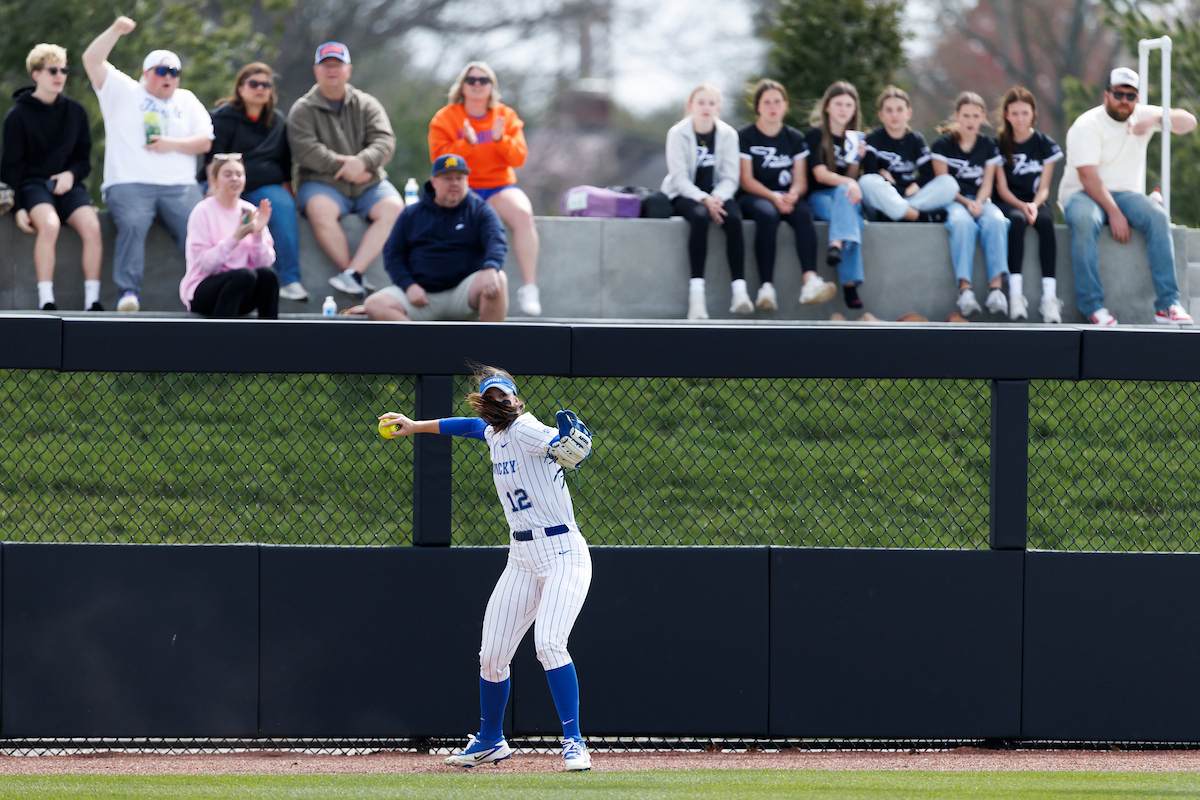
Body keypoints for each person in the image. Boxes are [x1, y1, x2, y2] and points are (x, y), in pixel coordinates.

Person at [379, 366, 593, 772]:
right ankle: (491, 740)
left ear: (518, 399)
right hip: (522, 558)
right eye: (494, 395)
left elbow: (557, 442)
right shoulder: (492, 432)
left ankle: (574, 740)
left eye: (508, 394)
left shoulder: (527, 427)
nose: (504, 400)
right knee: (492, 655)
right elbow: (465, 426)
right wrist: (416, 425)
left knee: (549, 644)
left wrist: (565, 444)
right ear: (484, 402)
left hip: (564, 551)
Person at [82, 15, 214, 313]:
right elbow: (91, 59)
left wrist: (171, 145)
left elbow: (205, 141)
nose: (169, 77)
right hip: (129, 182)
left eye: (174, 72)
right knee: (132, 223)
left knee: (198, 227)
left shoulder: (187, 100)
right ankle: (128, 293)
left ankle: (206, 290)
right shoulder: (124, 91)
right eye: (162, 70)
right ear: (146, 73)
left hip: (179, 186)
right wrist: (116, 29)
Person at [1059, 67, 1196, 326]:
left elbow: (1189, 122)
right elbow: (1088, 178)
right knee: (1086, 221)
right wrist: (1114, 212)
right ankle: (1092, 306)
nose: (1124, 101)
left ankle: (1167, 304)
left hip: (1126, 194)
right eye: (1118, 94)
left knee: (1157, 216)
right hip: (1083, 193)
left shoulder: (1142, 115)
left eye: (1130, 96)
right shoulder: (1087, 125)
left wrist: (1157, 119)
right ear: (1106, 95)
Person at [288, 42, 403, 299]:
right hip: (322, 183)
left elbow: (385, 141)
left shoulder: (367, 103)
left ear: (348, 70)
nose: (332, 70)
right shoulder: (302, 109)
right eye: (326, 64)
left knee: (394, 207)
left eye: (337, 65)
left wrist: (362, 163)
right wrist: (346, 167)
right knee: (319, 208)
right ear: (316, 70)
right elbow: (305, 150)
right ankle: (350, 272)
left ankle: (353, 273)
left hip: (368, 181)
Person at [429, 62, 541, 316]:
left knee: (524, 214)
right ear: (462, 86)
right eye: (472, 80)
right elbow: (438, 160)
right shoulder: (446, 117)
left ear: (492, 87)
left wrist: (500, 139)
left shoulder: (505, 116)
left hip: (499, 186)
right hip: (462, 190)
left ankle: (530, 287)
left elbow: (519, 158)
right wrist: (466, 144)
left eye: (484, 80)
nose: (478, 85)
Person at [1, 43, 103, 311]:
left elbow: (83, 158)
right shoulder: (17, 116)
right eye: (52, 70)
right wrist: (19, 208)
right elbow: (10, 167)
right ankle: (47, 300)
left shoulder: (76, 112)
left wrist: (71, 175)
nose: (59, 76)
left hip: (68, 185)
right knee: (50, 225)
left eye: (64, 70)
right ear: (36, 74)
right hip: (32, 186)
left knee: (92, 226)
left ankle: (93, 301)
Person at [360, 154, 508, 321]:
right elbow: (392, 254)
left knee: (498, 280)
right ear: (434, 181)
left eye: (459, 178)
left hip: (463, 295)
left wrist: (490, 268)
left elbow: (496, 240)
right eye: (447, 178)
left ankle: (488, 346)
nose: (454, 183)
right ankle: (421, 346)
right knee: (375, 304)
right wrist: (408, 286)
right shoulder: (412, 213)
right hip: (421, 297)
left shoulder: (480, 210)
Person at [200, 63, 303, 301]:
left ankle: (289, 280)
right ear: (241, 89)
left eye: (265, 85)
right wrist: (214, 188)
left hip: (264, 187)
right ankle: (217, 276)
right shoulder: (223, 117)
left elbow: (285, 162)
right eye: (254, 84)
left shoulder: (277, 121)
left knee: (283, 206)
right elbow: (212, 157)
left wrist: (291, 193)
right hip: (227, 185)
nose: (260, 89)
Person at [736, 79, 835, 310]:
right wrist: (773, 197)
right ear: (758, 107)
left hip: (786, 196)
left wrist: (793, 194)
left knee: (803, 214)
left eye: (777, 101)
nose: (772, 106)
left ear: (785, 106)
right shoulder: (746, 137)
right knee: (767, 216)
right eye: (767, 102)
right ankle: (766, 288)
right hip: (755, 196)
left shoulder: (795, 138)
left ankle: (810, 281)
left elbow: (800, 179)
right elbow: (746, 179)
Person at [661, 84, 748, 320]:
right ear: (691, 106)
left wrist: (717, 198)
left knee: (735, 219)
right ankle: (696, 297)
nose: (706, 107)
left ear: (718, 107)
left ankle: (740, 291)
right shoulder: (677, 133)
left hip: (719, 194)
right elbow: (678, 178)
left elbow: (731, 177)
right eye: (701, 102)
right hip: (686, 194)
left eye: (711, 103)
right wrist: (704, 199)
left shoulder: (728, 135)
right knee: (699, 217)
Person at [931, 91, 1010, 318]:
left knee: (997, 221)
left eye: (975, 116)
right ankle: (965, 291)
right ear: (957, 116)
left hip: (980, 200)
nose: (970, 121)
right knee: (962, 223)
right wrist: (966, 202)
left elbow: (988, 182)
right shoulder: (943, 145)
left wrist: (978, 202)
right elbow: (943, 183)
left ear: (982, 117)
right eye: (965, 115)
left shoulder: (988, 145)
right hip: (954, 201)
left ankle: (996, 290)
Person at [993, 86, 1064, 322]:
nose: (1019, 119)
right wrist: (1023, 206)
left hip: (1035, 201)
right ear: (1006, 115)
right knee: (1016, 221)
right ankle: (1015, 295)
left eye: (1024, 113)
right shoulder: (999, 145)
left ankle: (1049, 299)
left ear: (1033, 113)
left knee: (1045, 222)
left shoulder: (1045, 144)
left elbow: (1044, 187)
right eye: (1014, 113)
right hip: (1009, 201)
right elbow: (1001, 188)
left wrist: (1034, 204)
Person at [181, 153, 277, 318]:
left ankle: (271, 336)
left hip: (243, 289)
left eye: (239, 174)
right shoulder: (202, 211)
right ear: (214, 181)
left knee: (268, 276)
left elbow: (264, 263)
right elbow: (205, 265)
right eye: (227, 174)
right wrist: (235, 238)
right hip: (205, 290)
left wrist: (258, 234)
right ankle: (221, 338)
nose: (235, 179)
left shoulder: (249, 210)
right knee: (243, 276)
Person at [805, 81, 868, 309]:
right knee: (855, 221)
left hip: (843, 197)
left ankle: (836, 245)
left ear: (854, 110)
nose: (843, 109)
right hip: (820, 196)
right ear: (827, 107)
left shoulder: (853, 138)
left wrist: (855, 162)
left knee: (846, 200)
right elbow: (820, 174)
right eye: (838, 104)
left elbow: (849, 177)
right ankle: (850, 285)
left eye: (848, 105)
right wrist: (850, 181)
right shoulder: (816, 135)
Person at [858, 86, 958, 224]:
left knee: (949, 183)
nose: (894, 114)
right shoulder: (873, 139)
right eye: (889, 110)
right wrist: (900, 189)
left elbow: (927, 174)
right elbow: (872, 172)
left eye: (899, 109)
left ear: (908, 113)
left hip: (911, 198)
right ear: (881, 115)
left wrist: (905, 187)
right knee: (867, 182)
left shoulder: (916, 139)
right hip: (884, 200)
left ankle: (897, 214)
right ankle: (918, 216)